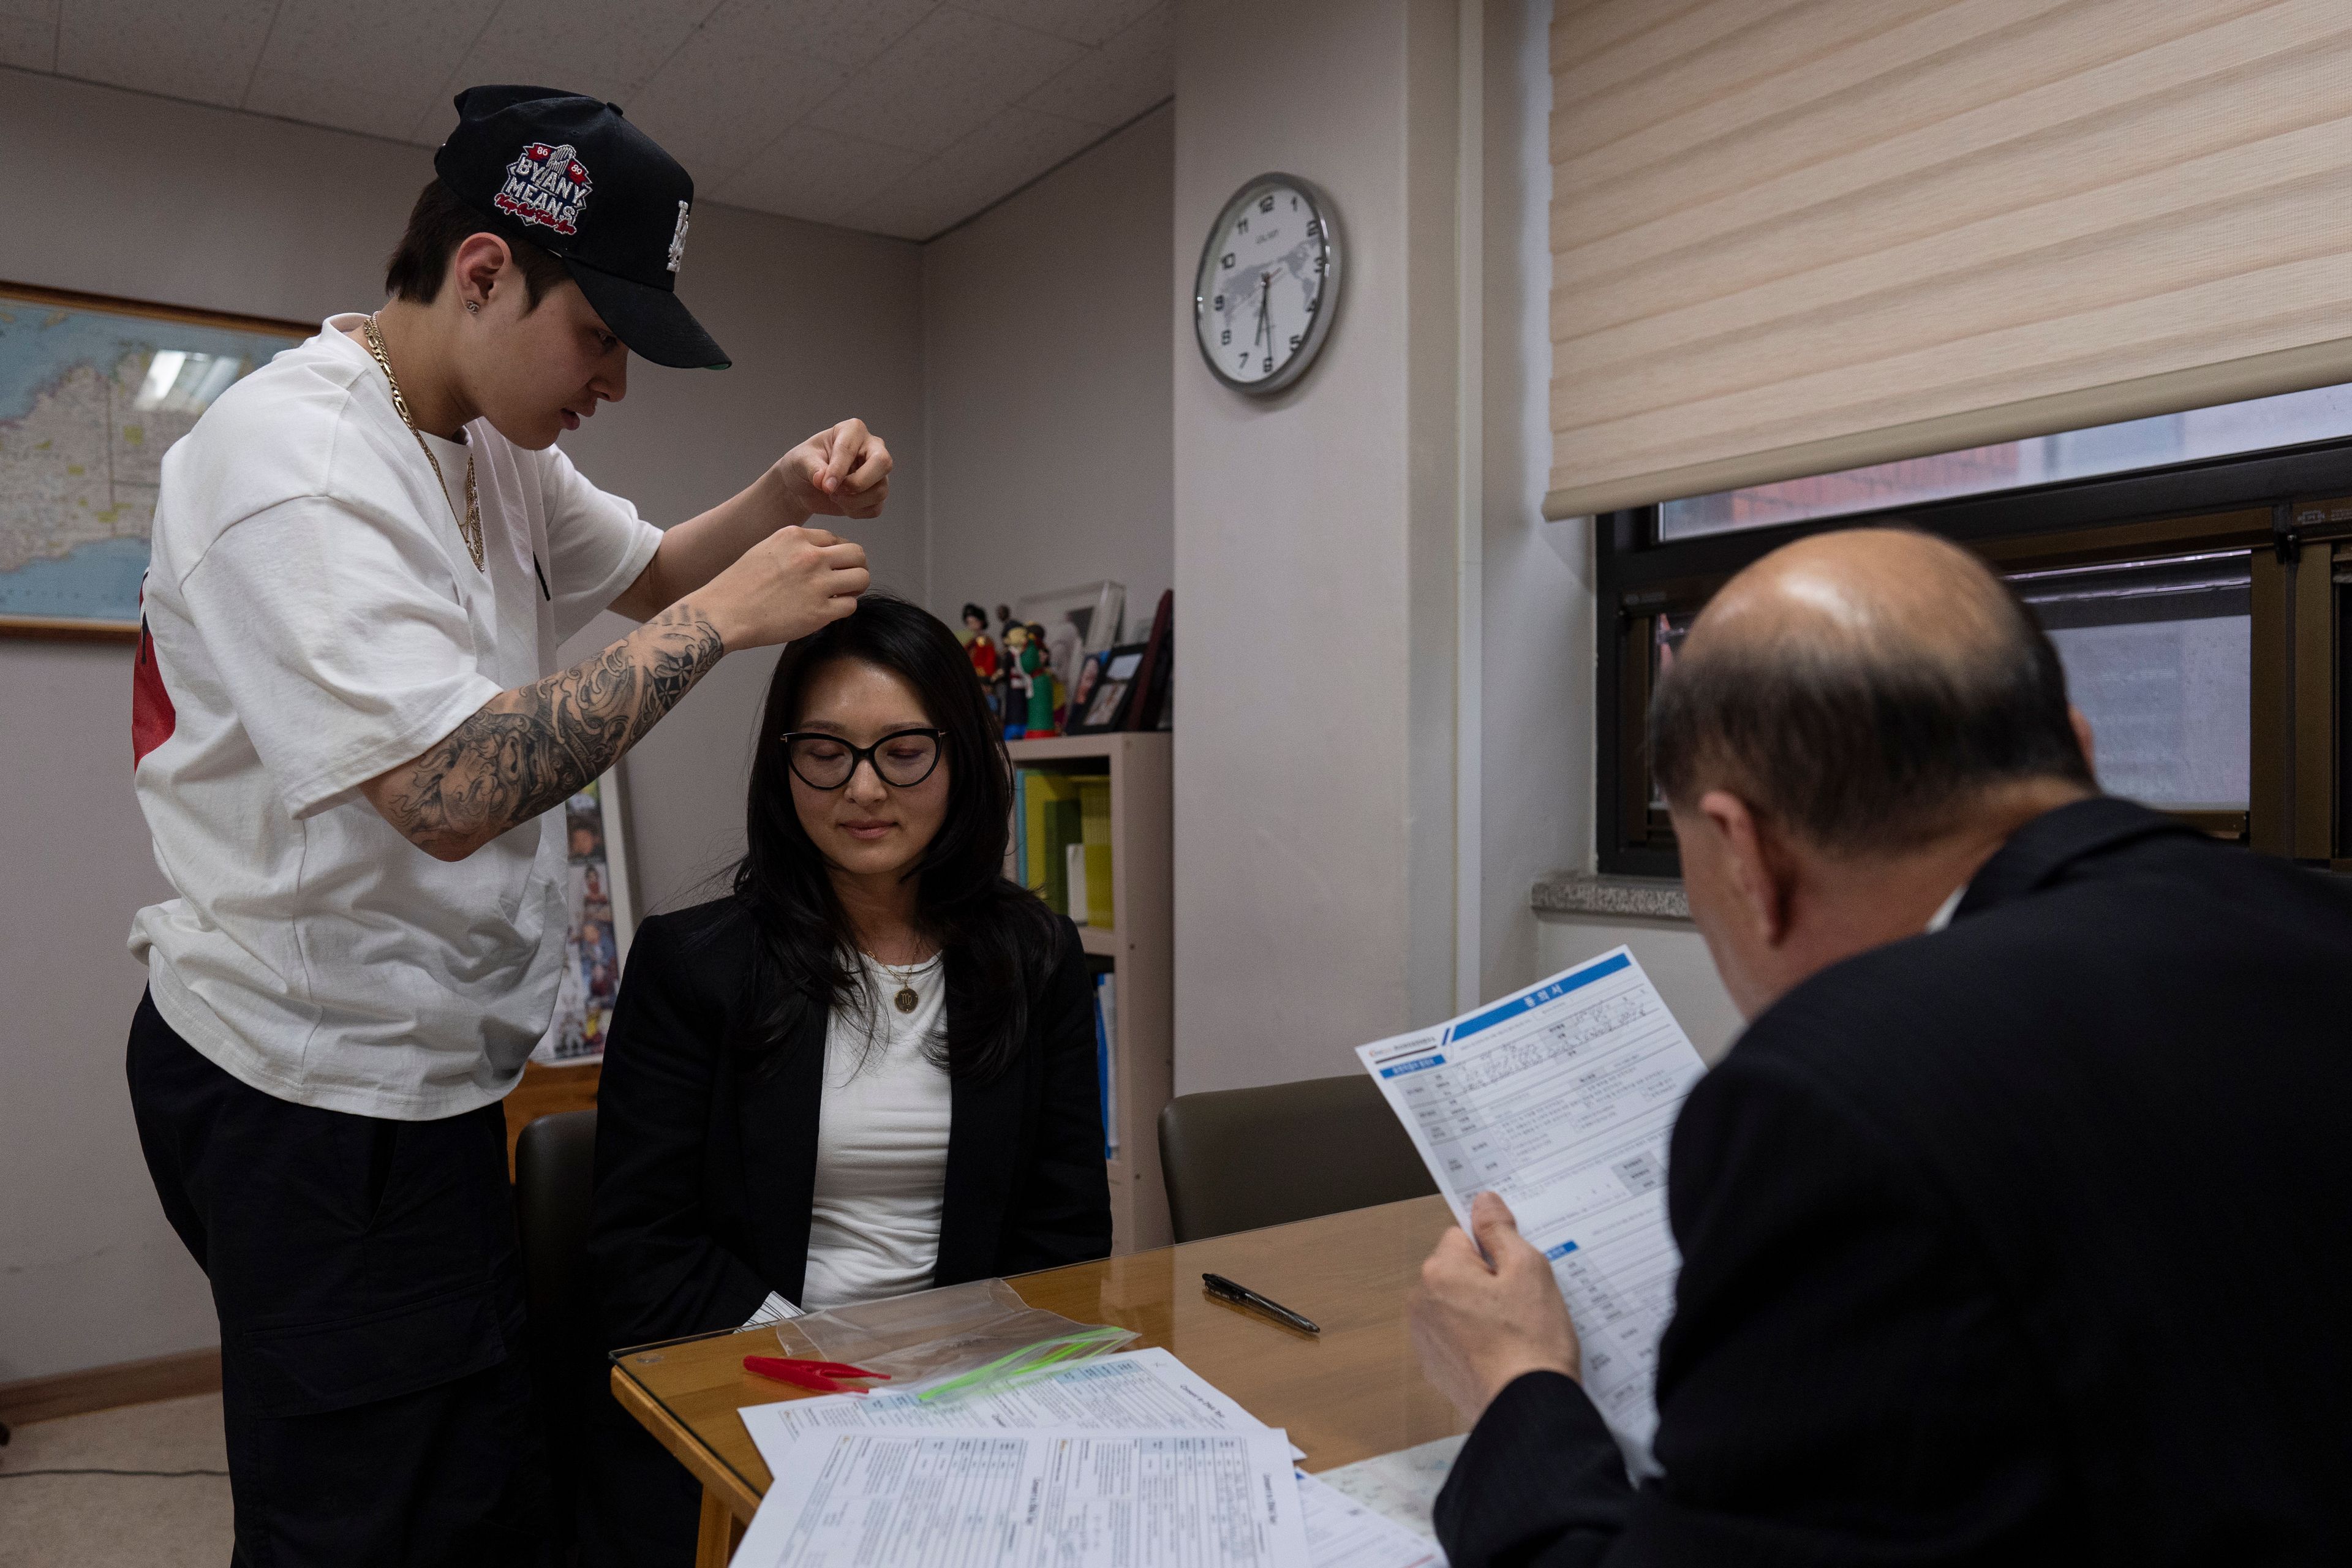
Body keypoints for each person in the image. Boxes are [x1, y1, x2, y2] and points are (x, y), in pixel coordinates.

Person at [123, 86, 889, 1564]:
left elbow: (659, 568)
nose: (612, 379)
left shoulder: (489, 441)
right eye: (597, 335)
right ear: (482, 271)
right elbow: (448, 792)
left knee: (476, 1468)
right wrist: (732, 624)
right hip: (307, 1088)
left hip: (420, 1076)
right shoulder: (296, 467)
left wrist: (780, 493)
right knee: (363, 1510)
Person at [1410, 527, 2352, 1566]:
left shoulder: (1834, 1095)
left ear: (1744, 850)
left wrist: (1517, 1388)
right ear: (2082, 751)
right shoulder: (2313, 924)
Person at [583, 595, 1112, 1564]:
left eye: (903, 751)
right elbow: (642, 1250)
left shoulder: (1035, 956)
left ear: (957, 758)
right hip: (757, 1387)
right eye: (826, 752)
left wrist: (957, 1386)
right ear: (784, 764)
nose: (864, 789)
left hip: (967, 1395)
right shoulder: (695, 964)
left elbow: (1065, 1231)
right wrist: (831, 1365)